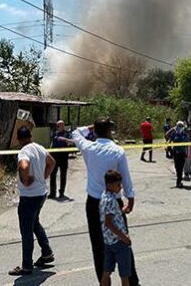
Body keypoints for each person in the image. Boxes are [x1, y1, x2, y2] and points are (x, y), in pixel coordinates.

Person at [71, 118, 140, 285]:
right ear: (110, 131)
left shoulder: (88, 148)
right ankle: (131, 281)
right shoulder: (117, 151)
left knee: (98, 245)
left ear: (95, 131)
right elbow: (125, 177)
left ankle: (103, 281)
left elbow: (75, 132)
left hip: (94, 203)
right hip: (114, 203)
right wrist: (130, 199)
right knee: (123, 241)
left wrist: (91, 128)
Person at [9, 126, 56, 276]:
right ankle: (47, 253)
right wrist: (44, 176)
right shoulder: (40, 148)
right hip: (41, 193)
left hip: (29, 197)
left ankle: (26, 266)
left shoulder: (24, 151)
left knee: (26, 231)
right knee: (35, 223)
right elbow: (52, 162)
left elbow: (24, 165)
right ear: (31, 136)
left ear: (18, 139)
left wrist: (26, 179)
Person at [100, 170, 133, 286]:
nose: (120, 187)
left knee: (106, 271)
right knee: (125, 275)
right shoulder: (110, 200)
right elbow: (108, 223)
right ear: (109, 185)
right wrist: (124, 237)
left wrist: (121, 211)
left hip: (108, 241)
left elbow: (111, 215)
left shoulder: (105, 196)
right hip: (118, 242)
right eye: (118, 185)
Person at [49, 120, 72, 200]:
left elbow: (72, 142)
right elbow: (51, 143)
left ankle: (62, 192)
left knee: (63, 175)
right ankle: (52, 192)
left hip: (64, 156)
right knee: (52, 174)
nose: (59, 127)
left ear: (64, 126)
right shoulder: (54, 133)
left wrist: (64, 139)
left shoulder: (67, 133)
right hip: (54, 156)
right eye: (58, 126)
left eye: (61, 125)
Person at [166, 121, 189, 188]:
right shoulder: (174, 134)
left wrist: (186, 153)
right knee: (177, 167)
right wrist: (172, 129)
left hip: (182, 153)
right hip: (175, 153)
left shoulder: (185, 135)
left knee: (181, 168)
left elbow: (187, 144)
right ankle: (179, 180)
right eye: (178, 126)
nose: (179, 128)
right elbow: (167, 137)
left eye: (181, 126)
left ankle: (178, 181)